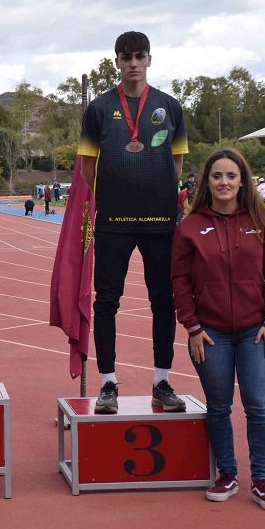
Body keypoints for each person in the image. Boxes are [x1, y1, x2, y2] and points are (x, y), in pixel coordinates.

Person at [171, 147, 265, 511]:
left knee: (258, 406)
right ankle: (227, 473)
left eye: (231, 176)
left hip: (256, 331)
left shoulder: (263, 221)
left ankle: (262, 480)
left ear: (243, 181)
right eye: (217, 176)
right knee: (219, 407)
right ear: (207, 181)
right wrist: (192, 326)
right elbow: (179, 280)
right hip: (211, 333)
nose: (224, 182)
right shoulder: (190, 226)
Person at [78, 30, 188, 413]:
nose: (133, 63)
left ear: (149, 59)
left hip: (161, 220)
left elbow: (177, 162)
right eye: (126, 57)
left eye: (139, 56)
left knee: (164, 301)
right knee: (106, 302)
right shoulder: (98, 109)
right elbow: (88, 166)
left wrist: (165, 197)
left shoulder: (170, 107)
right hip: (113, 220)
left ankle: (162, 381)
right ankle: (108, 385)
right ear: (117, 63)